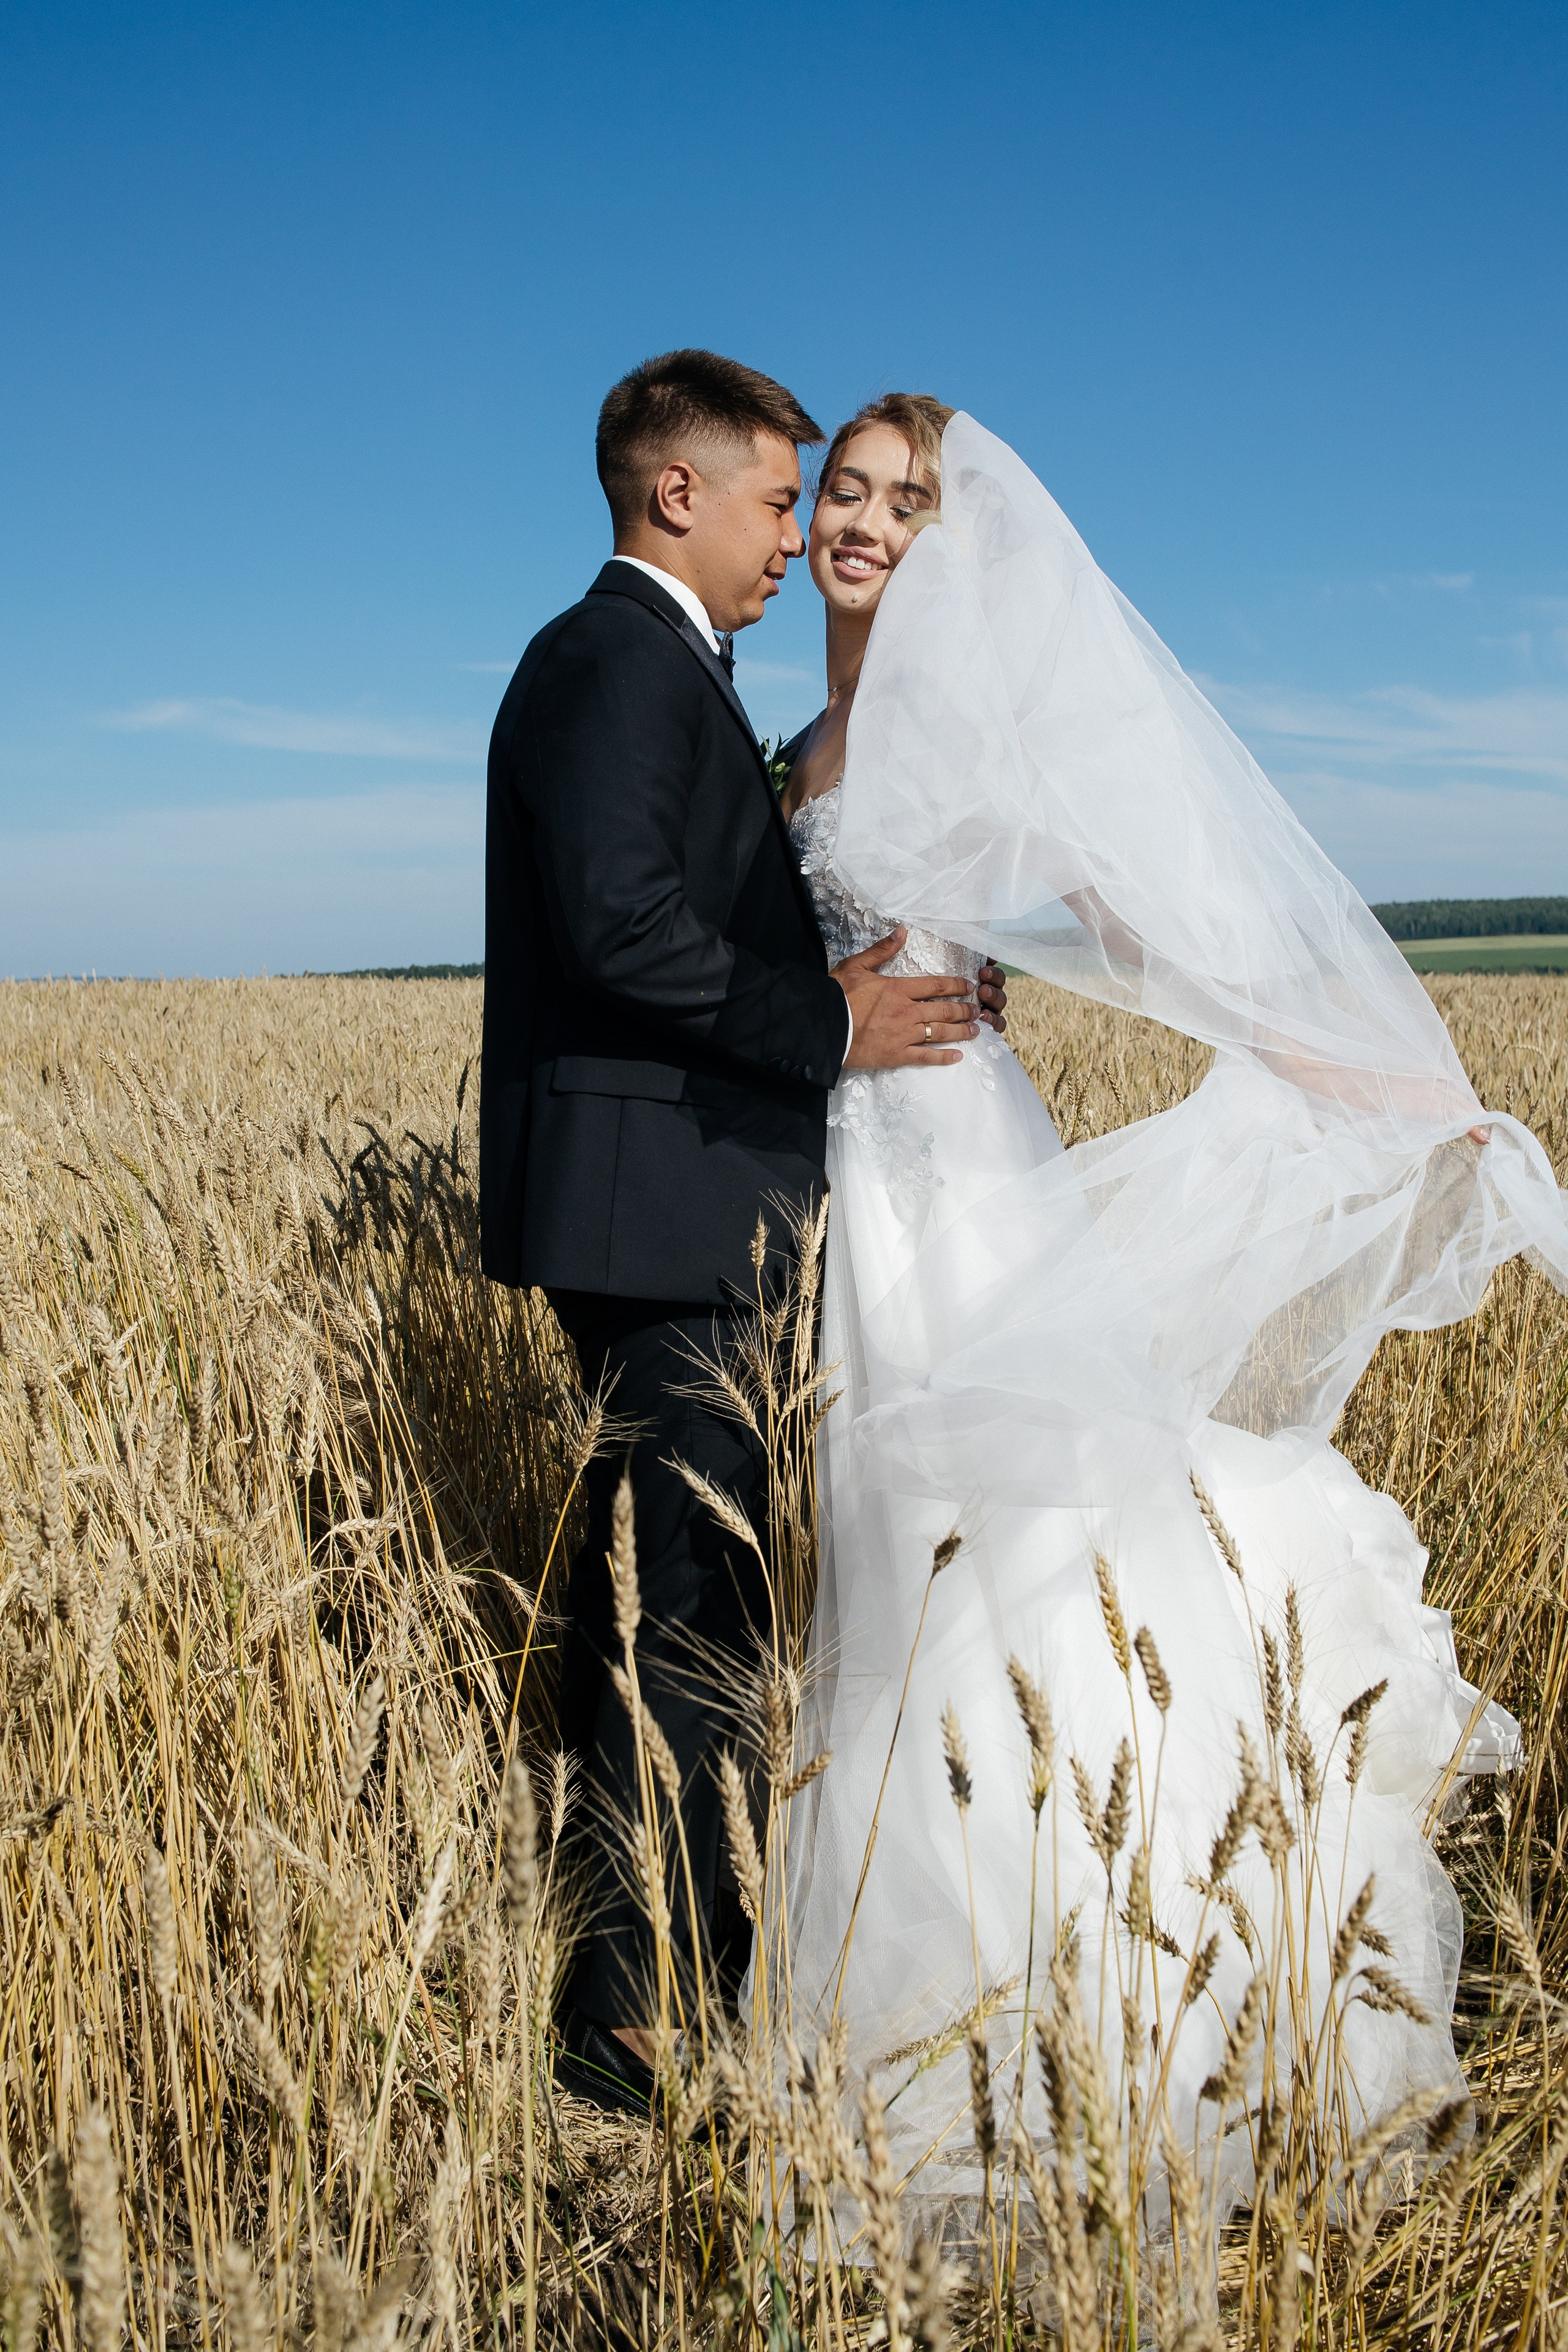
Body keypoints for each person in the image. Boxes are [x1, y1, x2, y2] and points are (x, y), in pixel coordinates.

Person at [767, 394, 1568, 2218]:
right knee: (887, 1553)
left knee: (1016, 1555)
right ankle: (908, 1960)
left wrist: (1329, 1052)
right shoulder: (801, 735)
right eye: (849, 491)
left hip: (955, 1160)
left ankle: (1114, 1989)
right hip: (845, 1168)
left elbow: (1127, 919)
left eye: (908, 505)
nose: (867, 524)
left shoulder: (964, 736)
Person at [478, 352, 1008, 2115]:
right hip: (667, 1210)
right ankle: (633, 2022)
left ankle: (659, 1972)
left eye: (839, 502)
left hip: (699, 1202)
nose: (804, 534)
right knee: (684, 1609)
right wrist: (836, 1025)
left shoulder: (667, 674)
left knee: (676, 1594)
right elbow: (626, 928)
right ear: (679, 495)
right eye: (788, 498)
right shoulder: (611, 662)